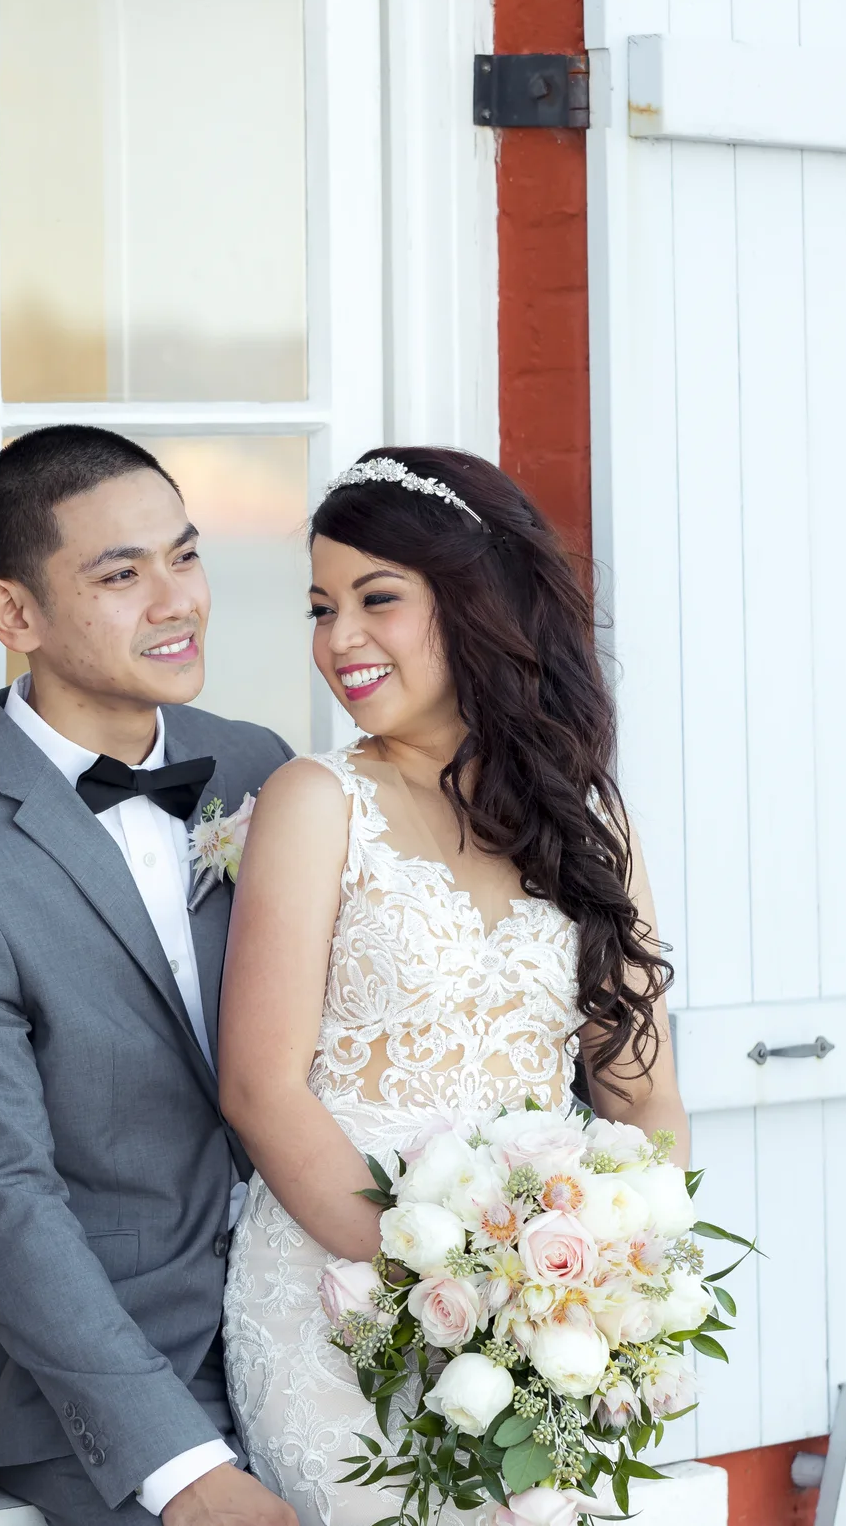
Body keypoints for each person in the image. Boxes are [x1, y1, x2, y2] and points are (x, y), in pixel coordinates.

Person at [217, 448, 691, 1526]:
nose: (339, 639)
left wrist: (613, 1282)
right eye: (319, 605)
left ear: (476, 600)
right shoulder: (315, 798)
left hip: (537, 1314)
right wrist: (436, 1295)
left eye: (376, 598)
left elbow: (642, 1096)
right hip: (337, 1297)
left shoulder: (587, 819)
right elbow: (259, 1089)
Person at [0, 425, 298, 1526]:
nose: (174, 600)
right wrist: (181, 1469)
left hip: (299, 1319)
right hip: (86, 1380)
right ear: (13, 616)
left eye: (184, 555)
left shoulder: (255, 765)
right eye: (121, 574)